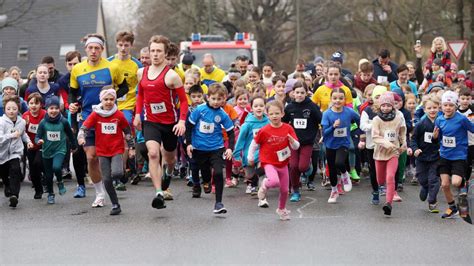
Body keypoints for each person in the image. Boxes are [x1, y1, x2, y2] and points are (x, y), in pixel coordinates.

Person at [69, 33, 128, 207]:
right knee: (91, 157)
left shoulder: (112, 67)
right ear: (85, 49)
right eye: (90, 48)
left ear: (102, 50)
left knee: (108, 153)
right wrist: (73, 104)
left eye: (97, 48)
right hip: (88, 116)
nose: (93, 51)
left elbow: (124, 86)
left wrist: (110, 97)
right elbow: (73, 91)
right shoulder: (78, 69)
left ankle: (112, 178)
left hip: (109, 118)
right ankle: (100, 192)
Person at [134, 35, 188, 209]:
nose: (155, 54)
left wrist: (181, 121)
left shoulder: (172, 76)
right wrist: (137, 115)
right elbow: (140, 94)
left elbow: (184, 101)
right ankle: (158, 192)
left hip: (170, 123)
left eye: (159, 51)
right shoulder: (141, 72)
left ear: (165, 54)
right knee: (153, 153)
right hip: (151, 121)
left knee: (169, 158)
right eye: (153, 51)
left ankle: (168, 173)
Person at [78, 88, 134, 215]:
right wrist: (81, 137)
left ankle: (123, 173)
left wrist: (132, 148)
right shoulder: (96, 114)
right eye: (106, 99)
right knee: (107, 180)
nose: (108, 102)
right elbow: (84, 127)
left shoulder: (119, 115)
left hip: (116, 149)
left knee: (117, 173)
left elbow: (127, 131)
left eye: (111, 99)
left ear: (115, 100)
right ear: (101, 100)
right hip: (102, 151)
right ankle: (115, 204)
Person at [186, 83, 235, 214]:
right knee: (205, 172)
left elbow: (230, 132)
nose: (216, 102)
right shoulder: (199, 110)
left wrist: (230, 148)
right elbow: (189, 126)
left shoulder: (223, 114)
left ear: (224, 99)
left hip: (216, 148)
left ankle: (218, 203)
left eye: (219, 99)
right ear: (207, 97)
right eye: (213, 99)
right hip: (199, 149)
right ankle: (206, 181)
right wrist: (189, 144)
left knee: (218, 173)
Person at [249, 100, 300, 220]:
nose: (274, 116)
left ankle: (281, 209)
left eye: (277, 113)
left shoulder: (288, 128)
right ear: (267, 114)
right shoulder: (264, 130)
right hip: (269, 162)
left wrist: (292, 142)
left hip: (283, 163)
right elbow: (254, 144)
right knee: (274, 181)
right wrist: (250, 157)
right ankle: (264, 185)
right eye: (271, 114)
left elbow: (296, 146)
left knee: (284, 190)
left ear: (282, 114)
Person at [107, 31, 143, 190]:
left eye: (126, 45)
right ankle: (114, 170)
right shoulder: (108, 62)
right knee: (109, 138)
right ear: (116, 44)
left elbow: (142, 87)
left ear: (131, 46)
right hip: (110, 105)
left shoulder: (137, 65)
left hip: (128, 105)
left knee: (123, 137)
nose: (123, 48)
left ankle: (120, 173)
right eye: (120, 45)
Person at [433, 91, 474, 219]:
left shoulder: (461, 119)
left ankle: (463, 190)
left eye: (451, 105)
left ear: (455, 106)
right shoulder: (439, 119)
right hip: (444, 155)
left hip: (459, 155)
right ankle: (452, 207)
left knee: (456, 182)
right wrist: (435, 137)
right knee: (444, 184)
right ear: (442, 106)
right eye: (445, 105)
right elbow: (438, 138)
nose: (448, 108)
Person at [283, 81, 322, 202]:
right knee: (293, 166)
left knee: (303, 167)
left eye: (302, 92)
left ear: (306, 93)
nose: (299, 95)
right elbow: (283, 123)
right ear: (292, 93)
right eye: (297, 92)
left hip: (307, 142)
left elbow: (321, 120)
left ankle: (307, 167)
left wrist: (323, 133)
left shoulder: (312, 106)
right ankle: (296, 190)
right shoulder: (289, 107)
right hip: (293, 142)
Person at [35, 96, 77, 204]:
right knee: (48, 175)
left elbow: (70, 134)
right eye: (51, 108)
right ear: (47, 109)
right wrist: (38, 141)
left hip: (60, 149)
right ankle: (51, 194)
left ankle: (60, 181)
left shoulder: (63, 121)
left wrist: (74, 145)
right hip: (47, 151)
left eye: (56, 108)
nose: (54, 111)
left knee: (57, 167)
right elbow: (37, 136)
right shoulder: (43, 123)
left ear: (59, 109)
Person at [322, 88, 360, 203]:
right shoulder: (327, 114)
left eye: (340, 98)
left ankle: (345, 174)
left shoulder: (349, 111)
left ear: (345, 99)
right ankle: (334, 191)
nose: (337, 101)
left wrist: (358, 132)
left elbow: (359, 120)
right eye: (335, 98)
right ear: (331, 99)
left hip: (343, 143)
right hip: (330, 144)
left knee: (339, 162)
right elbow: (325, 132)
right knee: (332, 168)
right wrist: (333, 126)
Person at [372, 92, 407, 216]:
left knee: (390, 176)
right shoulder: (376, 120)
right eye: (383, 105)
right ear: (379, 106)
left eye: (388, 105)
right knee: (380, 180)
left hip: (394, 152)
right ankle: (381, 188)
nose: (386, 108)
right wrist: (387, 143)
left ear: (393, 106)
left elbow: (402, 132)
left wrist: (403, 144)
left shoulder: (398, 118)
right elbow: (375, 137)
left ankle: (388, 203)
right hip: (380, 153)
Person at [408, 96, 441, 213]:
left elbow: (445, 138)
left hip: (436, 156)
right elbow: (413, 139)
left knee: (434, 179)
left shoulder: (441, 123)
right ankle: (424, 187)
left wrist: (437, 140)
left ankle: (432, 201)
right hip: (422, 156)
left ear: (439, 108)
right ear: (424, 109)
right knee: (422, 179)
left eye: (435, 108)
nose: (432, 110)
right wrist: (415, 149)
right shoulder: (421, 124)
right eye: (429, 108)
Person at [0, 95, 33, 208]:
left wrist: (28, 141)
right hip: (2, 153)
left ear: (18, 109)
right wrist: (12, 135)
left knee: (15, 169)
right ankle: (6, 184)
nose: (11, 111)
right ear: (4, 109)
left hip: (15, 152)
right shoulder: (1, 122)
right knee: (4, 173)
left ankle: (14, 195)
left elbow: (23, 134)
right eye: (8, 109)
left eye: (14, 109)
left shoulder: (22, 122)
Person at [233, 96, 269, 195]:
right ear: (251, 108)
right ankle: (253, 182)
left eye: (261, 106)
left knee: (262, 169)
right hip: (249, 153)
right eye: (256, 106)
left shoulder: (268, 123)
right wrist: (236, 154)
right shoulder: (247, 124)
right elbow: (240, 140)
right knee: (249, 174)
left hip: (263, 152)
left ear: (265, 107)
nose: (259, 108)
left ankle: (261, 190)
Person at [360, 85, 388, 205]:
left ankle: (383, 185)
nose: (379, 99)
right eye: (377, 96)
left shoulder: (389, 111)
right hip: (372, 145)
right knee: (373, 169)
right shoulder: (367, 111)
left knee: (385, 168)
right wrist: (375, 125)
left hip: (386, 145)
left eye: (382, 96)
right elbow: (363, 126)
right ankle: (375, 190)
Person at [22, 92, 46, 199]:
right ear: (28, 104)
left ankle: (46, 176)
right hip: (30, 145)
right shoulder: (25, 116)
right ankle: (38, 190)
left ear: (41, 104)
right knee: (33, 169)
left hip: (42, 144)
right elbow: (23, 132)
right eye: (31, 103)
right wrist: (25, 124)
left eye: (36, 103)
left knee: (38, 163)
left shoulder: (45, 114)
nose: (33, 105)